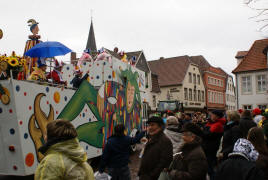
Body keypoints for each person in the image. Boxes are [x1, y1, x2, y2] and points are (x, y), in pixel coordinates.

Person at [202, 110, 226, 180]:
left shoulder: (218, 124)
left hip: (212, 148)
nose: (210, 116)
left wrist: (203, 131)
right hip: (207, 147)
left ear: (217, 116)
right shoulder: (211, 123)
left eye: (212, 115)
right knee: (209, 166)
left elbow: (207, 134)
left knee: (211, 167)